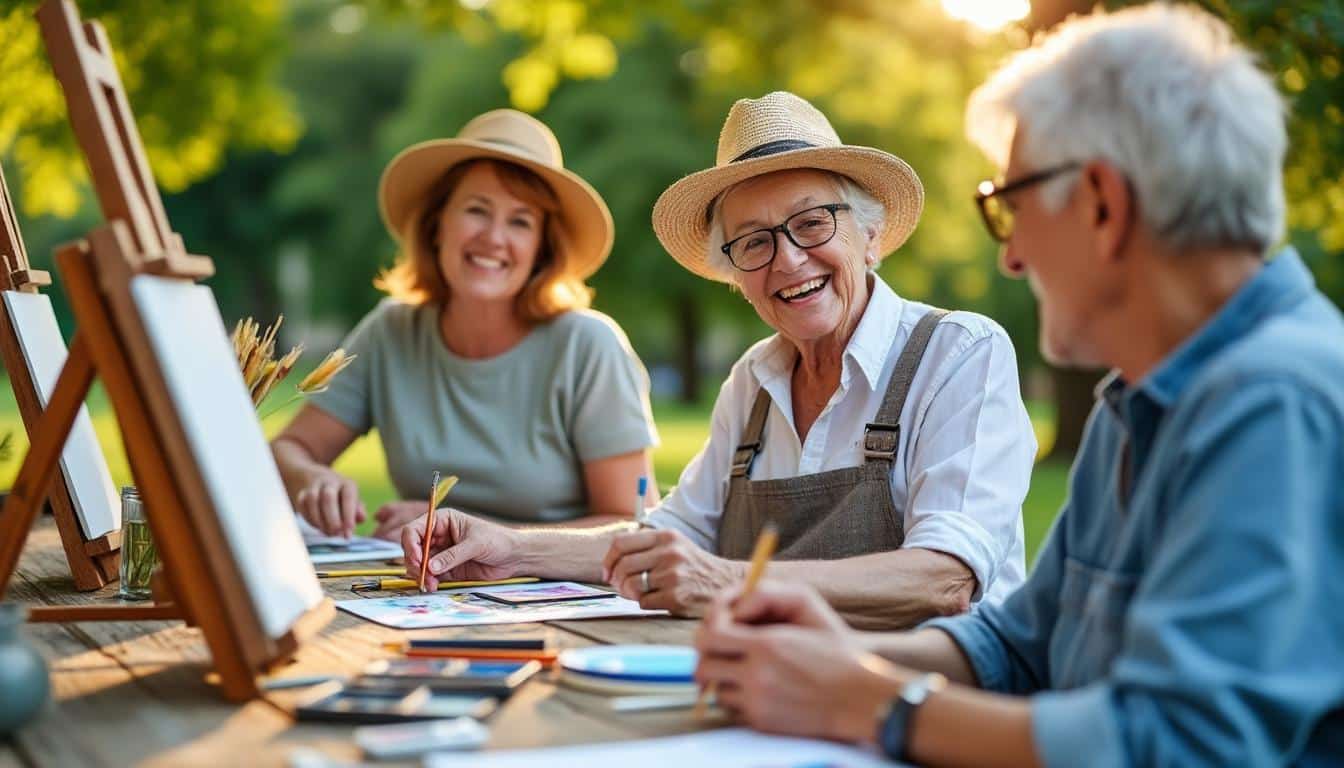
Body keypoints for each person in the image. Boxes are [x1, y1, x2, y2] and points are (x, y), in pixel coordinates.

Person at [693, 5, 1344, 766]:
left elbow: (1174, 744)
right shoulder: (1136, 405)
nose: (1011, 258)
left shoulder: (1275, 399)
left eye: (1013, 207)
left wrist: (868, 701)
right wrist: (837, 653)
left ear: (1102, 204)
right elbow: (1020, 642)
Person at [404, 92, 1037, 628]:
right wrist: (510, 548)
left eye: (813, 223)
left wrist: (730, 581)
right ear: (735, 274)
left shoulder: (958, 353)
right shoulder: (753, 382)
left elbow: (945, 579)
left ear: (870, 236)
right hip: (783, 696)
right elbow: (669, 537)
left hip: (932, 705)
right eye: (754, 242)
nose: (787, 260)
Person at [272, 109, 659, 541]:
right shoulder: (391, 331)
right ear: (437, 225)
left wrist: (480, 536)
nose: (494, 238)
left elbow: (631, 524)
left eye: (520, 221)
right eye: (477, 210)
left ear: (542, 248)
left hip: (557, 599)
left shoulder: (588, 346)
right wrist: (310, 479)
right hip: (421, 596)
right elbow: (287, 449)